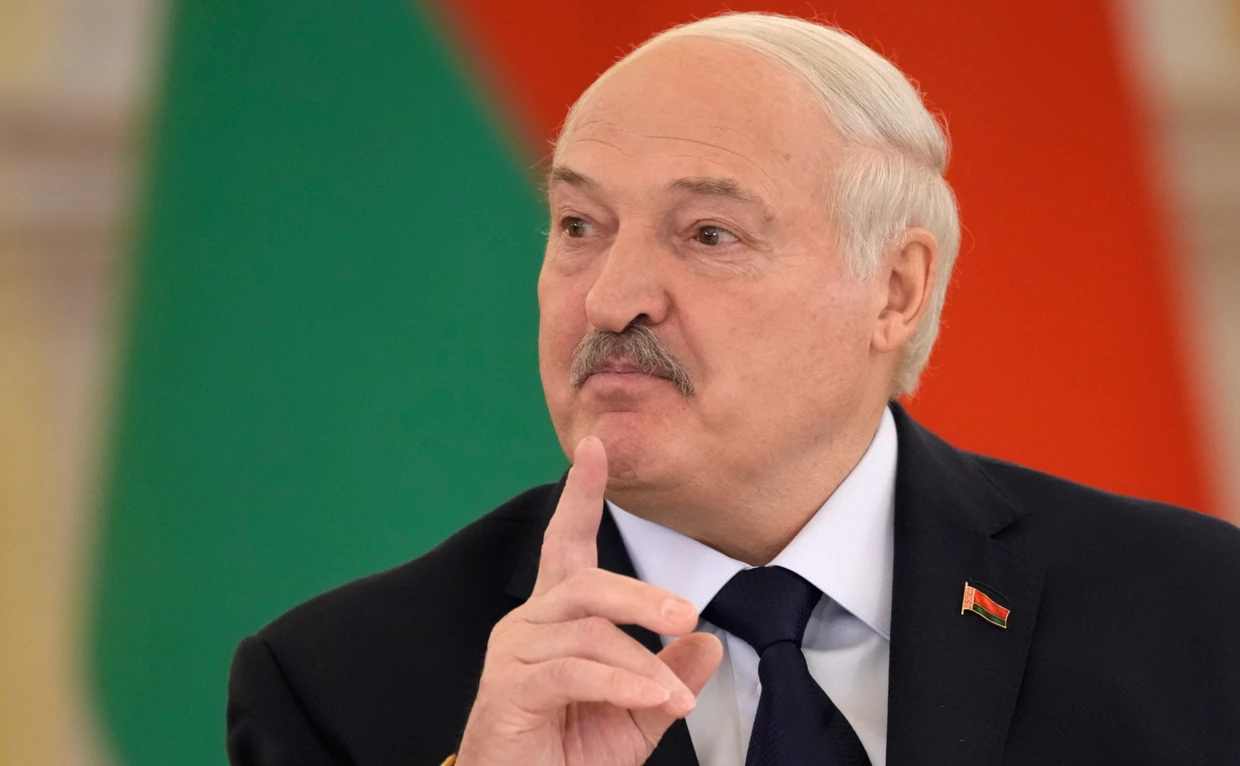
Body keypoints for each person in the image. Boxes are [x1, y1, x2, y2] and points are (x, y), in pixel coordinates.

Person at [226, 11, 1240, 766]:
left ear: (894, 290)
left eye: (709, 234)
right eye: (579, 226)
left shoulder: (1198, 614)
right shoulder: (335, 686)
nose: (611, 297)